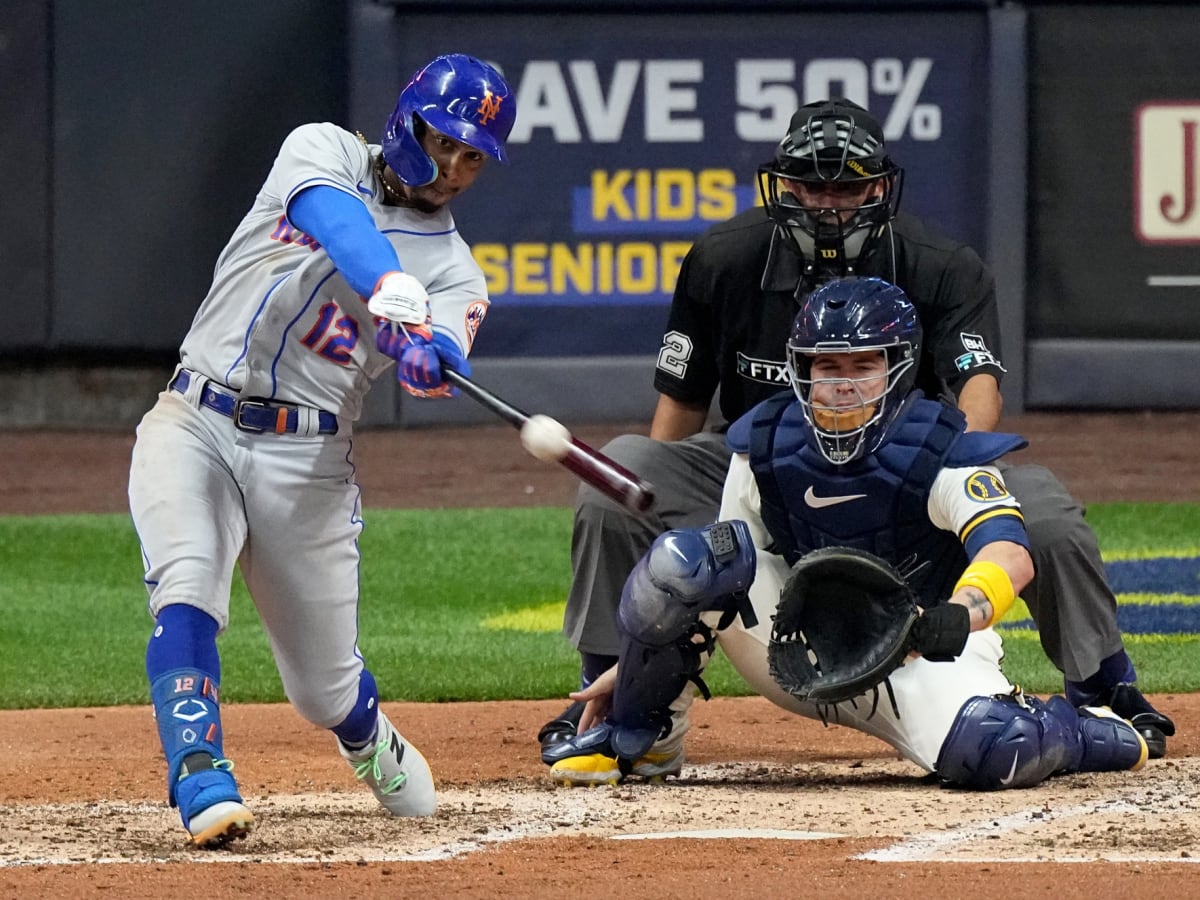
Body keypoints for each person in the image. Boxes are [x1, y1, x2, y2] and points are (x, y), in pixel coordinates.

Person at [539, 97, 1175, 759]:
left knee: (1045, 515)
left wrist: (938, 476)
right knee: (621, 478)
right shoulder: (723, 260)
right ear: (783, 186)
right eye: (812, 185)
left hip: (904, 472)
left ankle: (1104, 690)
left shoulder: (940, 266)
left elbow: (978, 395)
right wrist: (650, 521)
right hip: (765, 471)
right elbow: (679, 411)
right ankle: (608, 698)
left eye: (846, 186)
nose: (828, 203)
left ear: (878, 187)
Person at [542, 277, 1149, 791]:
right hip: (793, 642)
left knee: (997, 747)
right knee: (684, 565)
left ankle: (1088, 732)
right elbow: (725, 565)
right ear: (801, 371)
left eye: (864, 365)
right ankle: (641, 736)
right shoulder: (764, 444)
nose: (845, 383)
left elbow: (1009, 552)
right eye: (827, 367)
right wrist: (644, 660)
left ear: (898, 369)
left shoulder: (942, 448)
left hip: (916, 649)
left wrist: (962, 612)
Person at [127, 53, 516, 847]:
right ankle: (200, 770)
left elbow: (449, 344)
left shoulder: (456, 273)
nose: (451, 167)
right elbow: (337, 223)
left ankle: (366, 733)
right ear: (405, 117)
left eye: (472, 155)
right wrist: (389, 295)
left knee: (322, 688)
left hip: (304, 464)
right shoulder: (322, 147)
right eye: (442, 140)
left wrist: (428, 356)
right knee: (187, 580)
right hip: (193, 416)